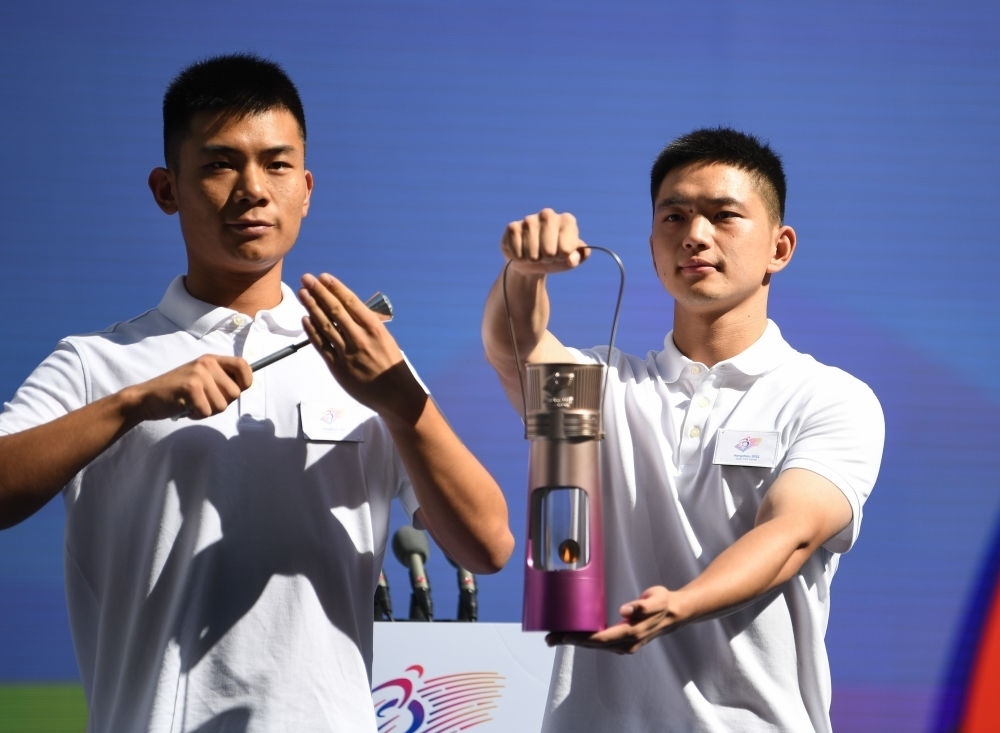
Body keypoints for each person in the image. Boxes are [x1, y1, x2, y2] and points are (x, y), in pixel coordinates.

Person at [0, 53, 514, 732]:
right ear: (166, 188)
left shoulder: (365, 358)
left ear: (306, 188)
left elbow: (488, 546)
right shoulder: (97, 363)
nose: (252, 189)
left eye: (276, 165)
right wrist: (134, 404)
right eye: (220, 164)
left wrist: (398, 400)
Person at [482, 128, 884, 732]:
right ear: (652, 248)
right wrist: (523, 273)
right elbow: (512, 347)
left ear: (780, 247)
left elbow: (790, 534)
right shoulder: (603, 387)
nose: (695, 234)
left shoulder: (826, 397)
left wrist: (679, 605)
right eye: (674, 216)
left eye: (724, 216)